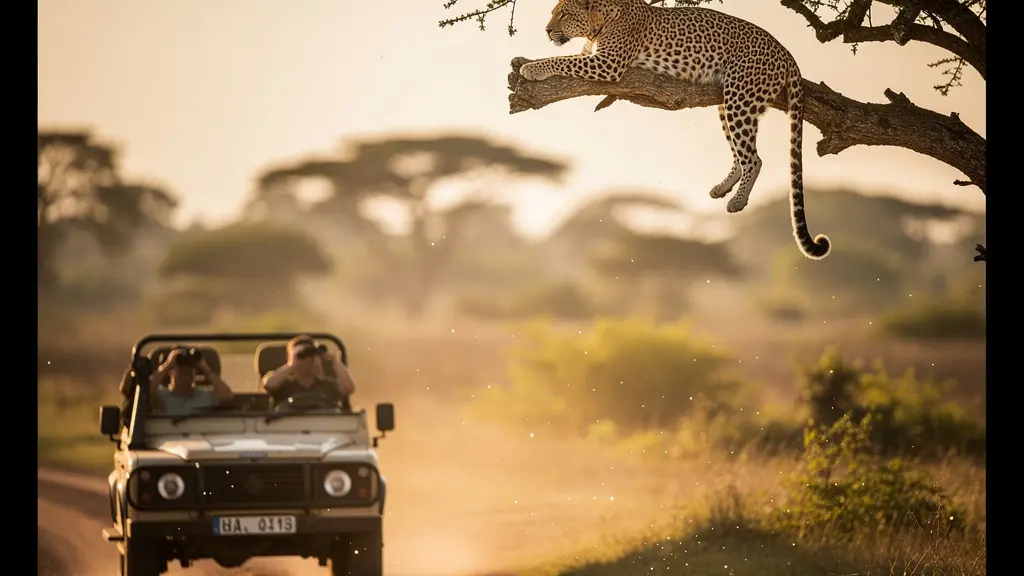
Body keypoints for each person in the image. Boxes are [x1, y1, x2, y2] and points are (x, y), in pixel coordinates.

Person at [120, 347, 234, 416]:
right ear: (170, 373)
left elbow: (227, 396)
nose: (186, 372)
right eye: (180, 368)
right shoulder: (161, 396)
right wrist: (167, 365)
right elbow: (144, 393)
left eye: (190, 368)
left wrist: (203, 367)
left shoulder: (206, 394)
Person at [262, 335, 356, 410]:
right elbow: (268, 384)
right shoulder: (283, 385)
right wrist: (292, 365)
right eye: (302, 356)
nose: (308, 360)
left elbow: (349, 388)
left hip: (324, 427)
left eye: (311, 355)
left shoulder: (327, 385)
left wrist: (335, 362)